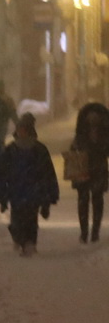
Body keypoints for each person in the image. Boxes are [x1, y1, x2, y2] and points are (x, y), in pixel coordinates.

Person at [0, 112, 61, 258]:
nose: (21, 133)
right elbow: (1, 173)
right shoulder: (10, 150)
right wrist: (1, 195)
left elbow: (48, 173)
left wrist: (50, 196)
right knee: (17, 218)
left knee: (31, 219)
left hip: (33, 192)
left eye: (24, 130)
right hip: (16, 192)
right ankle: (21, 240)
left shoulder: (39, 149)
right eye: (19, 130)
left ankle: (29, 243)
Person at [67, 103, 109, 243]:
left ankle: (86, 232)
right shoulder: (103, 134)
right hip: (97, 166)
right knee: (95, 199)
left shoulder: (81, 134)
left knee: (85, 199)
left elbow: (75, 147)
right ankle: (91, 232)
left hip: (85, 166)